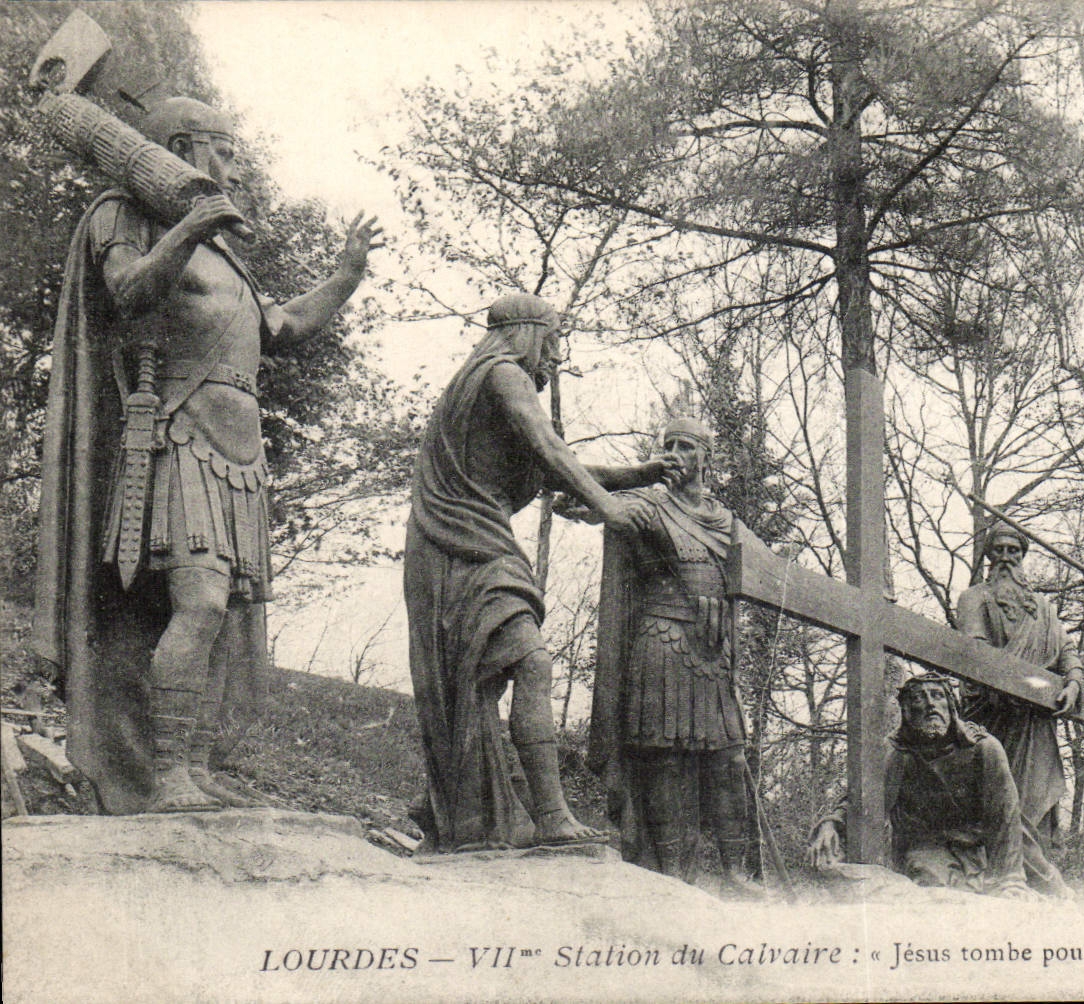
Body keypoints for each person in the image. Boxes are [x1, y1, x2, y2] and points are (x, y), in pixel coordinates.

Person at [32, 97, 382, 814]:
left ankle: (193, 764)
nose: (233, 164)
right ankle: (167, 777)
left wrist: (345, 276)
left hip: (239, 450)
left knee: (220, 617)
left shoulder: (226, 252)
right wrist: (190, 225)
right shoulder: (120, 214)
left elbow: (280, 326)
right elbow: (128, 291)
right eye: (223, 148)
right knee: (199, 602)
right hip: (177, 435)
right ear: (185, 147)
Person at [404, 293, 665, 853]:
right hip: (462, 543)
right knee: (531, 660)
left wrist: (634, 474)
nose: (555, 354)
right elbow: (549, 448)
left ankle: (455, 805)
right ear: (526, 335)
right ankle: (550, 815)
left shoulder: (486, 385)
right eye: (552, 341)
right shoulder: (501, 375)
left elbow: (551, 464)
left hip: (465, 542)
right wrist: (609, 506)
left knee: (483, 679)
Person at [587, 417, 763, 896]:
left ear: (708, 457)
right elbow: (574, 495)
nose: (676, 454)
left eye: (687, 447)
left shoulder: (726, 521)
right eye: (669, 446)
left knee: (728, 758)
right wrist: (639, 474)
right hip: (660, 639)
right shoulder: (646, 504)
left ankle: (735, 873)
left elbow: (770, 572)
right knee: (668, 758)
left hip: (711, 651)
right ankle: (671, 875)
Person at [807, 673, 1031, 899]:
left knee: (1042, 884)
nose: (930, 704)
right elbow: (863, 800)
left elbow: (1005, 816)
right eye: (918, 699)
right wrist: (831, 824)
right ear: (907, 712)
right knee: (937, 891)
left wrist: (1010, 880)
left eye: (937, 696)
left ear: (951, 706)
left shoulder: (984, 748)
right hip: (924, 852)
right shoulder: (897, 751)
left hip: (976, 852)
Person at [956, 522, 1081, 895]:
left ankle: (1042, 889)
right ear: (989, 558)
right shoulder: (974, 598)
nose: (1007, 558)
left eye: (1015, 551)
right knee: (995, 805)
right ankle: (1016, 888)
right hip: (992, 720)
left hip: (1035, 725)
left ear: (1023, 557)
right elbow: (977, 654)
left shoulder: (1043, 608)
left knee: (1033, 808)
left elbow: (1067, 651)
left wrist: (1073, 681)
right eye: (1000, 551)